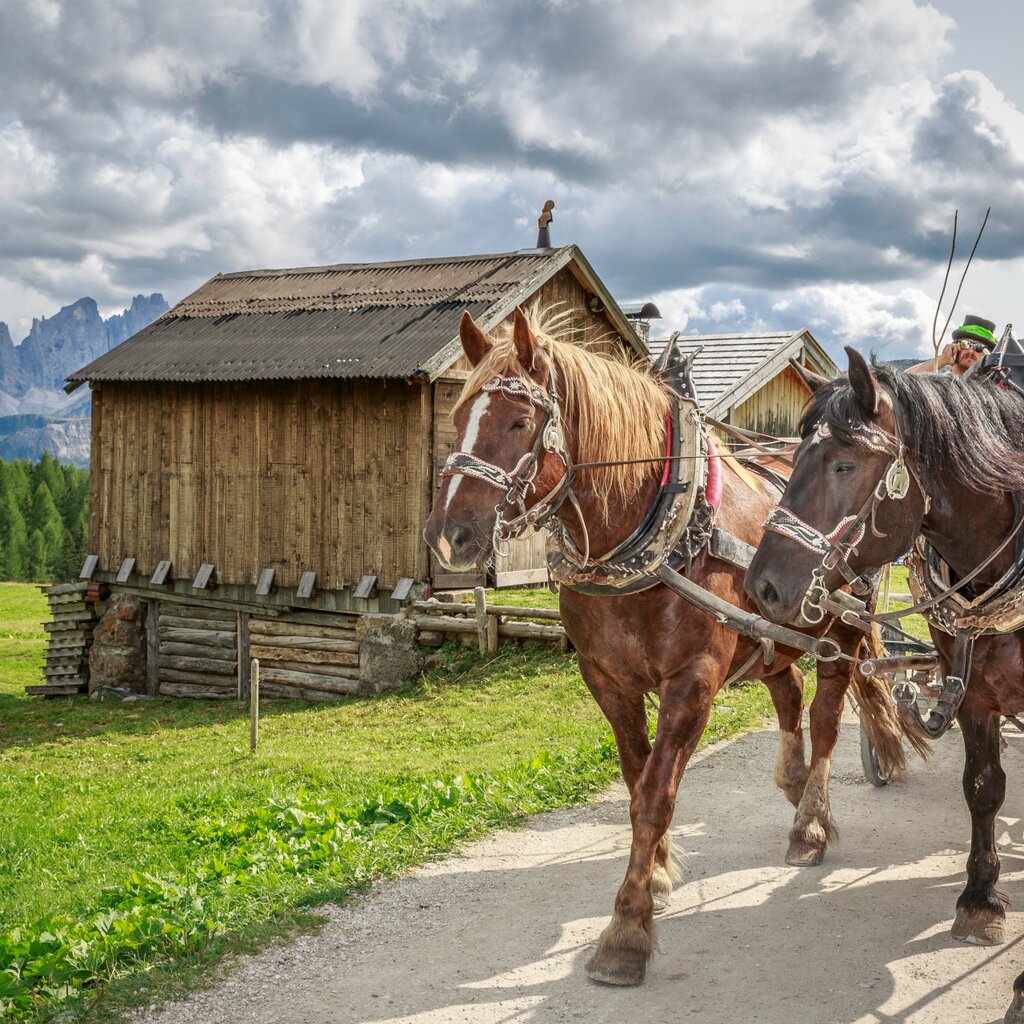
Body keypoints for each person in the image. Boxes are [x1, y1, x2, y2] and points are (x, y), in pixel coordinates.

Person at [907, 314, 998, 377]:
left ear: (987, 355)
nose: (970, 351)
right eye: (965, 344)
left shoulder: (991, 392)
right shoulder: (938, 384)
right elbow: (902, 382)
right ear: (955, 346)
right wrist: (943, 359)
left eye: (979, 347)